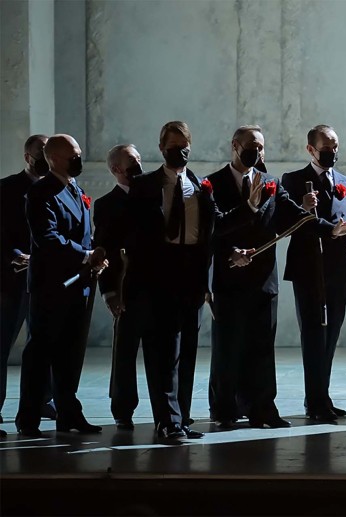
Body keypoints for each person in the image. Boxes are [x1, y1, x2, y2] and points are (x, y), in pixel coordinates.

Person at [208, 125, 346, 428]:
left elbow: (297, 219)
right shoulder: (213, 184)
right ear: (235, 146)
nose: (258, 152)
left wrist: (331, 229)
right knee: (228, 345)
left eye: (262, 147)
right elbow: (213, 228)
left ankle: (263, 407)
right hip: (229, 276)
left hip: (264, 278)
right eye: (252, 145)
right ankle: (224, 409)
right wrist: (234, 245)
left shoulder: (271, 183)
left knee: (262, 346)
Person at [127, 121, 257, 440]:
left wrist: (249, 207)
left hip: (193, 274)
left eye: (184, 144)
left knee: (187, 351)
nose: (179, 150)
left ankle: (182, 418)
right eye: (172, 145)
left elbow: (217, 226)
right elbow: (135, 234)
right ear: (161, 148)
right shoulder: (145, 186)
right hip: (160, 274)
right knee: (163, 352)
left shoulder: (199, 186)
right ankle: (166, 420)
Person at [15, 134, 108, 437]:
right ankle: (27, 418)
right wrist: (85, 255)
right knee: (40, 355)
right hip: (50, 287)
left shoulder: (74, 188)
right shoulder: (41, 192)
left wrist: (94, 256)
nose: (78, 160)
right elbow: (48, 238)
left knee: (69, 356)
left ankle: (68, 413)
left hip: (76, 285)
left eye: (80, 154)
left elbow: (82, 233)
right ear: (53, 158)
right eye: (73, 156)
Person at [281, 125, 346, 422]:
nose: (332, 152)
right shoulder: (292, 180)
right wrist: (305, 209)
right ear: (311, 150)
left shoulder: (345, 181)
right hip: (307, 267)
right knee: (314, 333)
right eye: (326, 148)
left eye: (335, 147)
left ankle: (323, 396)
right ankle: (313, 400)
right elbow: (286, 223)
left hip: (337, 267)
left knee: (332, 333)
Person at [0, 135, 58, 436]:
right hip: (12, 279)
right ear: (27, 157)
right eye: (39, 154)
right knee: (2, 344)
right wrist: (13, 255)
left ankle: (42, 400)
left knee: (45, 344)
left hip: (47, 280)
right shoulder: (6, 189)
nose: (45, 160)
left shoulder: (59, 188)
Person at [93, 144, 145, 430]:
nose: (138, 165)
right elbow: (104, 250)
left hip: (155, 285)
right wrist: (110, 292)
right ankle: (122, 409)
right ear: (116, 169)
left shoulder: (153, 194)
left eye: (138, 159)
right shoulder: (106, 204)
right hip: (126, 288)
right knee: (124, 351)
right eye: (132, 162)